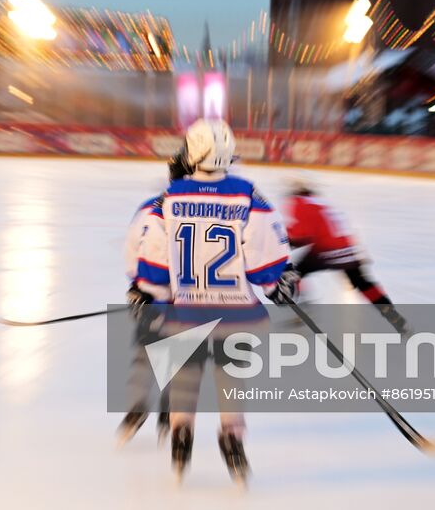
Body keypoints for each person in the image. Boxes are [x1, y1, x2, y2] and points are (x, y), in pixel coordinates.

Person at [127, 119, 292, 485]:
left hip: (186, 313)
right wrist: (277, 282)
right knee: (231, 377)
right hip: (236, 314)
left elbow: (154, 254)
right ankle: (232, 437)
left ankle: (181, 434)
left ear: (193, 152)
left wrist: (145, 291)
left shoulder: (171, 197)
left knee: (185, 376)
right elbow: (265, 255)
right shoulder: (247, 193)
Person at [115, 156, 192, 446]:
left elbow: (132, 247)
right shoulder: (203, 211)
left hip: (150, 295)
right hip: (187, 300)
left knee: (145, 352)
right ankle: (167, 411)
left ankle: (137, 408)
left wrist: (137, 285)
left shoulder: (150, 206)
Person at [278, 172, 409, 334]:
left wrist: (282, 243)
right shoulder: (322, 202)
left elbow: (301, 234)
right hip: (347, 250)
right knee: (363, 283)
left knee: (292, 273)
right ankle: (392, 315)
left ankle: (306, 307)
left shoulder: (298, 202)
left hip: (325, 249)